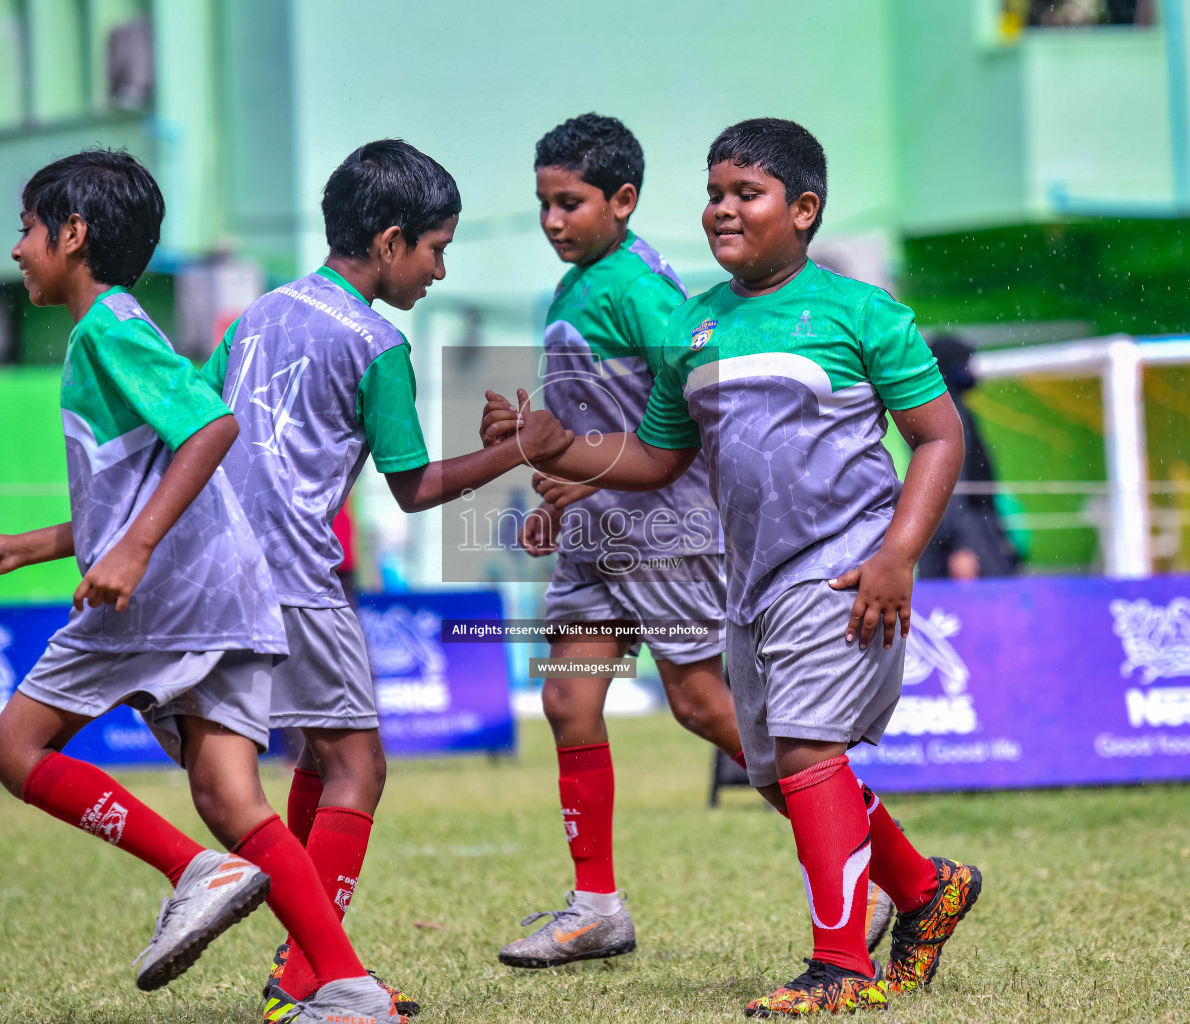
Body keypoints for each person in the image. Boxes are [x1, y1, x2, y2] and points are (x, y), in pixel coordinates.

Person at [483, 118, 983, 1016]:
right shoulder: (696, 321)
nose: (720, 209)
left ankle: (839, 968)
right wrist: (560, 452)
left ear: (803, 211)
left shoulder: (860, 312)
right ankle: (922, 888)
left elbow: (939, 435)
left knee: (784, 742)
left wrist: (899, 556)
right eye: (714, 193)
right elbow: (656, 453)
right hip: (730, 573)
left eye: (743, 194)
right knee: (749, 752)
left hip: (812, 566)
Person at [0, 149, 382, 1022]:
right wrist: (24, 548)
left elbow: (211, 427)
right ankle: (348, 990)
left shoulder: (107, 326)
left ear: (73, 234)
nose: (20, 249)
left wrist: (135, 553)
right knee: (229, 795)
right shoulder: (114, 327)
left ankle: (194, 871)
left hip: (166, 598)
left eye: (28, 229)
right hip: (224, 592)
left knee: (13, 749)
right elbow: (138, 496)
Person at [199, 139, 574, 1023]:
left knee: (318, 756)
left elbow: (196, 429)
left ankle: (304, 960)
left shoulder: (253, 316)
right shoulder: (377, 341)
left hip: (217, 570)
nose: (440, 270)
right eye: (437, 249)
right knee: (359, 766)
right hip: (294, 572)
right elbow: (412, 490)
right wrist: (520, 451)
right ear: (392, 240)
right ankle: (314, 982)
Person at [476, 113, 744, 971]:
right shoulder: (575, 286)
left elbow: (697, 412)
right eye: (544, 205)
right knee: (569, 703)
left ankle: (864, 844)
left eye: (571, 204)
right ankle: (597, 908)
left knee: (701, 705)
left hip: (664, 531)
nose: (554, 221)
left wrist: (589, 476)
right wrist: (553, 489)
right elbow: (590, 422)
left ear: (623, 201)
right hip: (598, 541)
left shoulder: (638, 289)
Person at [917, 334, 1021, 580]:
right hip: (965, 533)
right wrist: (960, 546)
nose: (970, 372)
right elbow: (950, 483)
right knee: (992, 605)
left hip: (972, 529)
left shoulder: (947, 408)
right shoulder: (947, 413)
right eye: (965, 364)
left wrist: (998, 534)